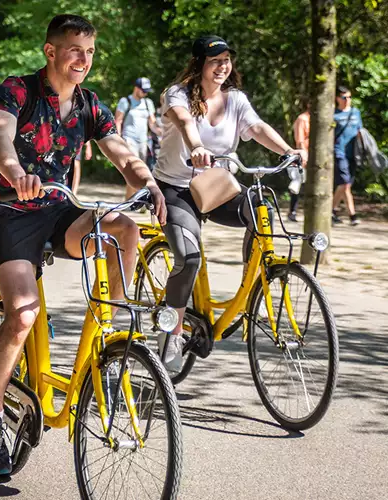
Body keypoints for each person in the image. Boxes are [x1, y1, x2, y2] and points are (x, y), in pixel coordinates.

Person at [0, 14, 166, 476]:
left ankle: (112, 338)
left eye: (90, 52)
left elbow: (123, 153)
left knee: (124, 229)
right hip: (9, 213)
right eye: (75, 49)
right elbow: (0, 136)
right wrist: (17, 174)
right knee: (22, 313)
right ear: (51, 51)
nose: (83, 59)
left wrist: (148, 183)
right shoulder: (17, 89)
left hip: (59, 210)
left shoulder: (90, 104)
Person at [152, 35, 306, 370]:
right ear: (199, 65)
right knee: (189, 257)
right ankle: (172, 331)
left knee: (259, 205)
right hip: (177, 188)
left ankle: (256, 276)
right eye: (215, 60)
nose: (223, 66)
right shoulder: (177, 93)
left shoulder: (235, 99)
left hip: (216, 186)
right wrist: (196, 147)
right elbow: (184, 121)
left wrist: (289, 152)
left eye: (226, 60)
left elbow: (258, 127)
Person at [115, 77, 162, 199]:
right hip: (129, 139)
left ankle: (131, 199)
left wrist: (162, 133)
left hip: (143, 141)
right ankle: (134, 200)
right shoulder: (125, 102)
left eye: (147, 91)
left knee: (142, 171)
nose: (145, 93)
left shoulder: (148, 103)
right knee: (134, 169)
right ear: (136, 88)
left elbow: (152, 123)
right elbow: (118, 121)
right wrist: (118, 140)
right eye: (143, 91)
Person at [332, 85, 363, 225]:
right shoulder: (333, 114)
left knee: (346, 184)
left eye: (350, 97)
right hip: (339, 152)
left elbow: (360, 131)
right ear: (338, 98)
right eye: (345, 97)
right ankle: (352, 215)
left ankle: (332, 211)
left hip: (354, 154)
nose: (348, 100)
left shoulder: (356, 112)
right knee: (345, 183)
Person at [288, 101, 310, 222]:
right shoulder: (303, 119)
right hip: (303, 156)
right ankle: (293, 211)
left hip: (313, 157)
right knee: (297, 183)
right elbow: (300, 140)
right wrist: (303, 156)